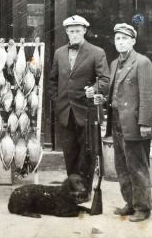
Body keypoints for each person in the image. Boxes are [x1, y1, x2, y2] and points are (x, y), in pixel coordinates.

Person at [94, 23, 152, 222]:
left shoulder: (142, 62)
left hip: (136, 125)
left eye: (124, 38)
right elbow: (116, 94)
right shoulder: (114, 64)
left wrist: (145, 123)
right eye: (117, 39)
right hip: (117, 124)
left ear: (133, 41)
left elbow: (148, 95)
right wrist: (102, 100)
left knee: (137, 168)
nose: (120, 42)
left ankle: (143, 208)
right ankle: (130, 203)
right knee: (122, 166)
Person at [48, 15, 110, 200]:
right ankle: (72, 189)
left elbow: (105, 79)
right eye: (71, 31)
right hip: (65, 112)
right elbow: (53, 80)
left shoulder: (96, 52)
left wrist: (94, 89)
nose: (74, 34)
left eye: (78, 30)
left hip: (86, 111)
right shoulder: (59, 53)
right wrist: (57, 101)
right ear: (66, 32)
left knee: (87, 154)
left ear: (84, 31)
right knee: (70, 152)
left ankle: (85, 191)